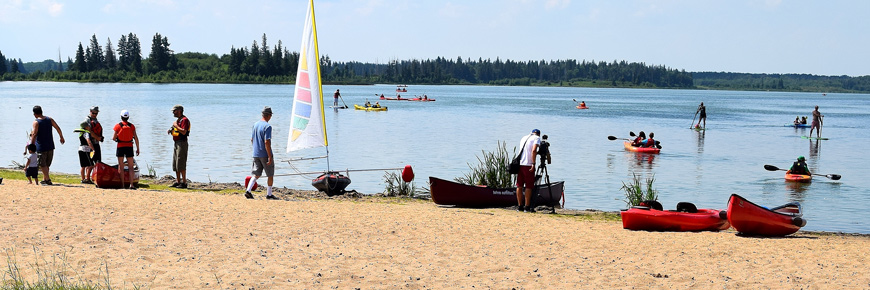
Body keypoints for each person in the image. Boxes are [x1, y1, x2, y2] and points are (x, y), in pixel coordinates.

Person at [245, 106, 279, 200]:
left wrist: (256, 149)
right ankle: (269, 194)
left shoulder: (255, 125)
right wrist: (269, 156)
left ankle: (248, 190)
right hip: (265, 154)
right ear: (268, 115)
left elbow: (252, 139)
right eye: (271, 116)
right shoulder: (267, 126)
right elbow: (267, 142)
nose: (270, 118)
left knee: (256, 174)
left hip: (256, 153)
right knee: (270, 174)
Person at [30, 105, 65, 185]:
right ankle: (45, 179)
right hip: (50, 145)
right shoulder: (50, 119)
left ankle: (48, 179)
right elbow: (57, 127)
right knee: (47, 164)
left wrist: (31, 145)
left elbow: (34, 134)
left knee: (43, 164)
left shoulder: (36, 122)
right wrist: (61, 137)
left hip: (41, 146)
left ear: (34, 114)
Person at [112, 110, 140, 189]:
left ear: (121, 117)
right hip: (129, 146)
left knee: (121, 166)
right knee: (131, 167)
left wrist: (118, 139)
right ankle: (131, 185)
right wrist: (138, 148)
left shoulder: (117, 126)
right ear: (128, 117)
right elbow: (136, 138)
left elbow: (113, 138)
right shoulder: (132, 126)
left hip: (120, 146)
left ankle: (122, 185)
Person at [515, 129, 541, 213]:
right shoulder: (536, 138)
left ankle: (519, 206)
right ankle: (527, 207)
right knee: (529, 186)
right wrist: (533, 163)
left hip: (520, 164)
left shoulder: (524, 137)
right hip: (528, 164)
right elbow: (533, 150)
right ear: (538, 134)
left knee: (519, 185)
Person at [168, 105, 191, 188]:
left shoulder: (184, 120)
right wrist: (171, 130)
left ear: (179, 111)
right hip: (176, 142)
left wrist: (176, 126)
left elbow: (184, 132)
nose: (173, 113)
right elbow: (177, 130)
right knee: (176, 163)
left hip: (182, 143)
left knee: (181, 162)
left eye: (174, 111)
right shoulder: (178, 120)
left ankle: (184, 182)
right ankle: (178, 181)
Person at [86, 107, 104, 177]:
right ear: (90, 112)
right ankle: (87, 177)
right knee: (90, 162)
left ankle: (96, 176)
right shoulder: (87, 120)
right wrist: (98, 138)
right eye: (93, 113)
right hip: (90, 144)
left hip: (96, 143)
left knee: (98, 161)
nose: (94, 115)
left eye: (96, 113)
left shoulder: (95, 120)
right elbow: (89, 131)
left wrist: (100, 138)